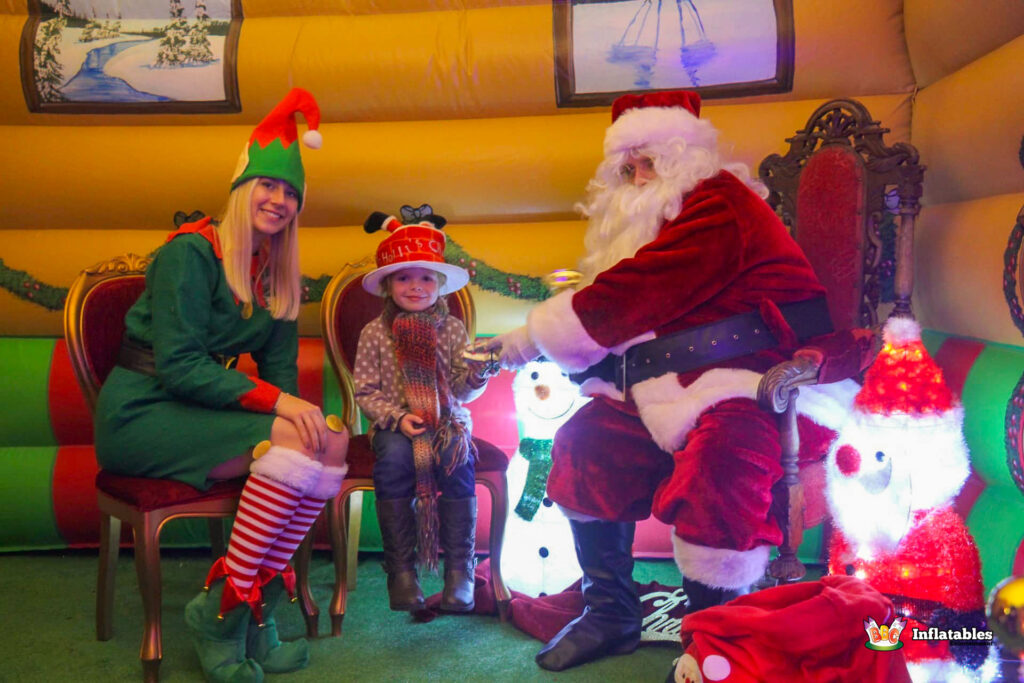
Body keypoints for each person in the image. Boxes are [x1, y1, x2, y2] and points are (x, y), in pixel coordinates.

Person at [484, 90, 873, 671]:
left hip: (760, 379)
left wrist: (529, 338)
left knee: (721, 461)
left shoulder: (720, 204)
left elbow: (640, 289)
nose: (638, 178)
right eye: (628, 167)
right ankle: (612, 613)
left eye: (650, 164)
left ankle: (715, 636)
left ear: (685, 158)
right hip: (671, 382)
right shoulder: (655, 221)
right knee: (583, 443)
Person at [94, 88, 349, 683]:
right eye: (268, 185)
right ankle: (232, 616)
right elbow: (180, 367)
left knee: (330, 442)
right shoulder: (190, 254)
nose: (279, 200)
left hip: (199, 411)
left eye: (290, 192)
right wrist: (284, 406)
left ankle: (240, 608)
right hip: (142, 412)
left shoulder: (278, 274)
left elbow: (282, 375)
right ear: (242, 188)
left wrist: (299, 411)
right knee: (292, 438)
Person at [353, 208, 498, 615]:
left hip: (445, 421)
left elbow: (458, 390)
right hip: (394, 423)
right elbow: (365, 389)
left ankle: (459, 572)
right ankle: (401, 572)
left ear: (439, 285)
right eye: (403, 277)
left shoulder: (451, 329)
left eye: (425, 278)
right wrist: (398, 418)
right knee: (397, 459)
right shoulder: (375, 332)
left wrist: (477, 375)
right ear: (387, 285)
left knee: (457, 460)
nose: (415, 286)